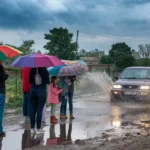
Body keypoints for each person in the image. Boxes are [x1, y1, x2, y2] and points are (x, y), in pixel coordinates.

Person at [29, 67, 50, 134]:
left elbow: (29, 81)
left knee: (33, 110)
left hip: (33, 91)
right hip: (42, 92)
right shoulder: (45, 70)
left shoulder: (32, 69)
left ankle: (32, 128)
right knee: (39, 110)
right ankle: (38, 128)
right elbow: (48, 81)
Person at [0, 61, 8, 136]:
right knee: (0, 112)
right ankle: (0, 130)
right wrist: (6, 74)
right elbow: (2, 78)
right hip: (1, 92)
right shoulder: (1, 67)